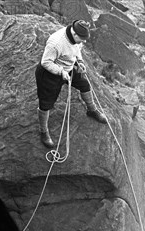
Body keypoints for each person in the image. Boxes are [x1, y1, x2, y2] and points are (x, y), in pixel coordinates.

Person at [35, 20, 106, 148]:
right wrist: (60, 72)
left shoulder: (76, 37)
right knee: (46, 104)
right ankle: (43, 131)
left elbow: (77, 49)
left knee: (85, 85)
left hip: (69, 69)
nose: (83, 41)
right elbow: (46, 62)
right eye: (82, 39)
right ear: (74, 33)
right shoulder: (56, 42)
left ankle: (92, 110)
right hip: (49, 74)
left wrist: (80, 62)